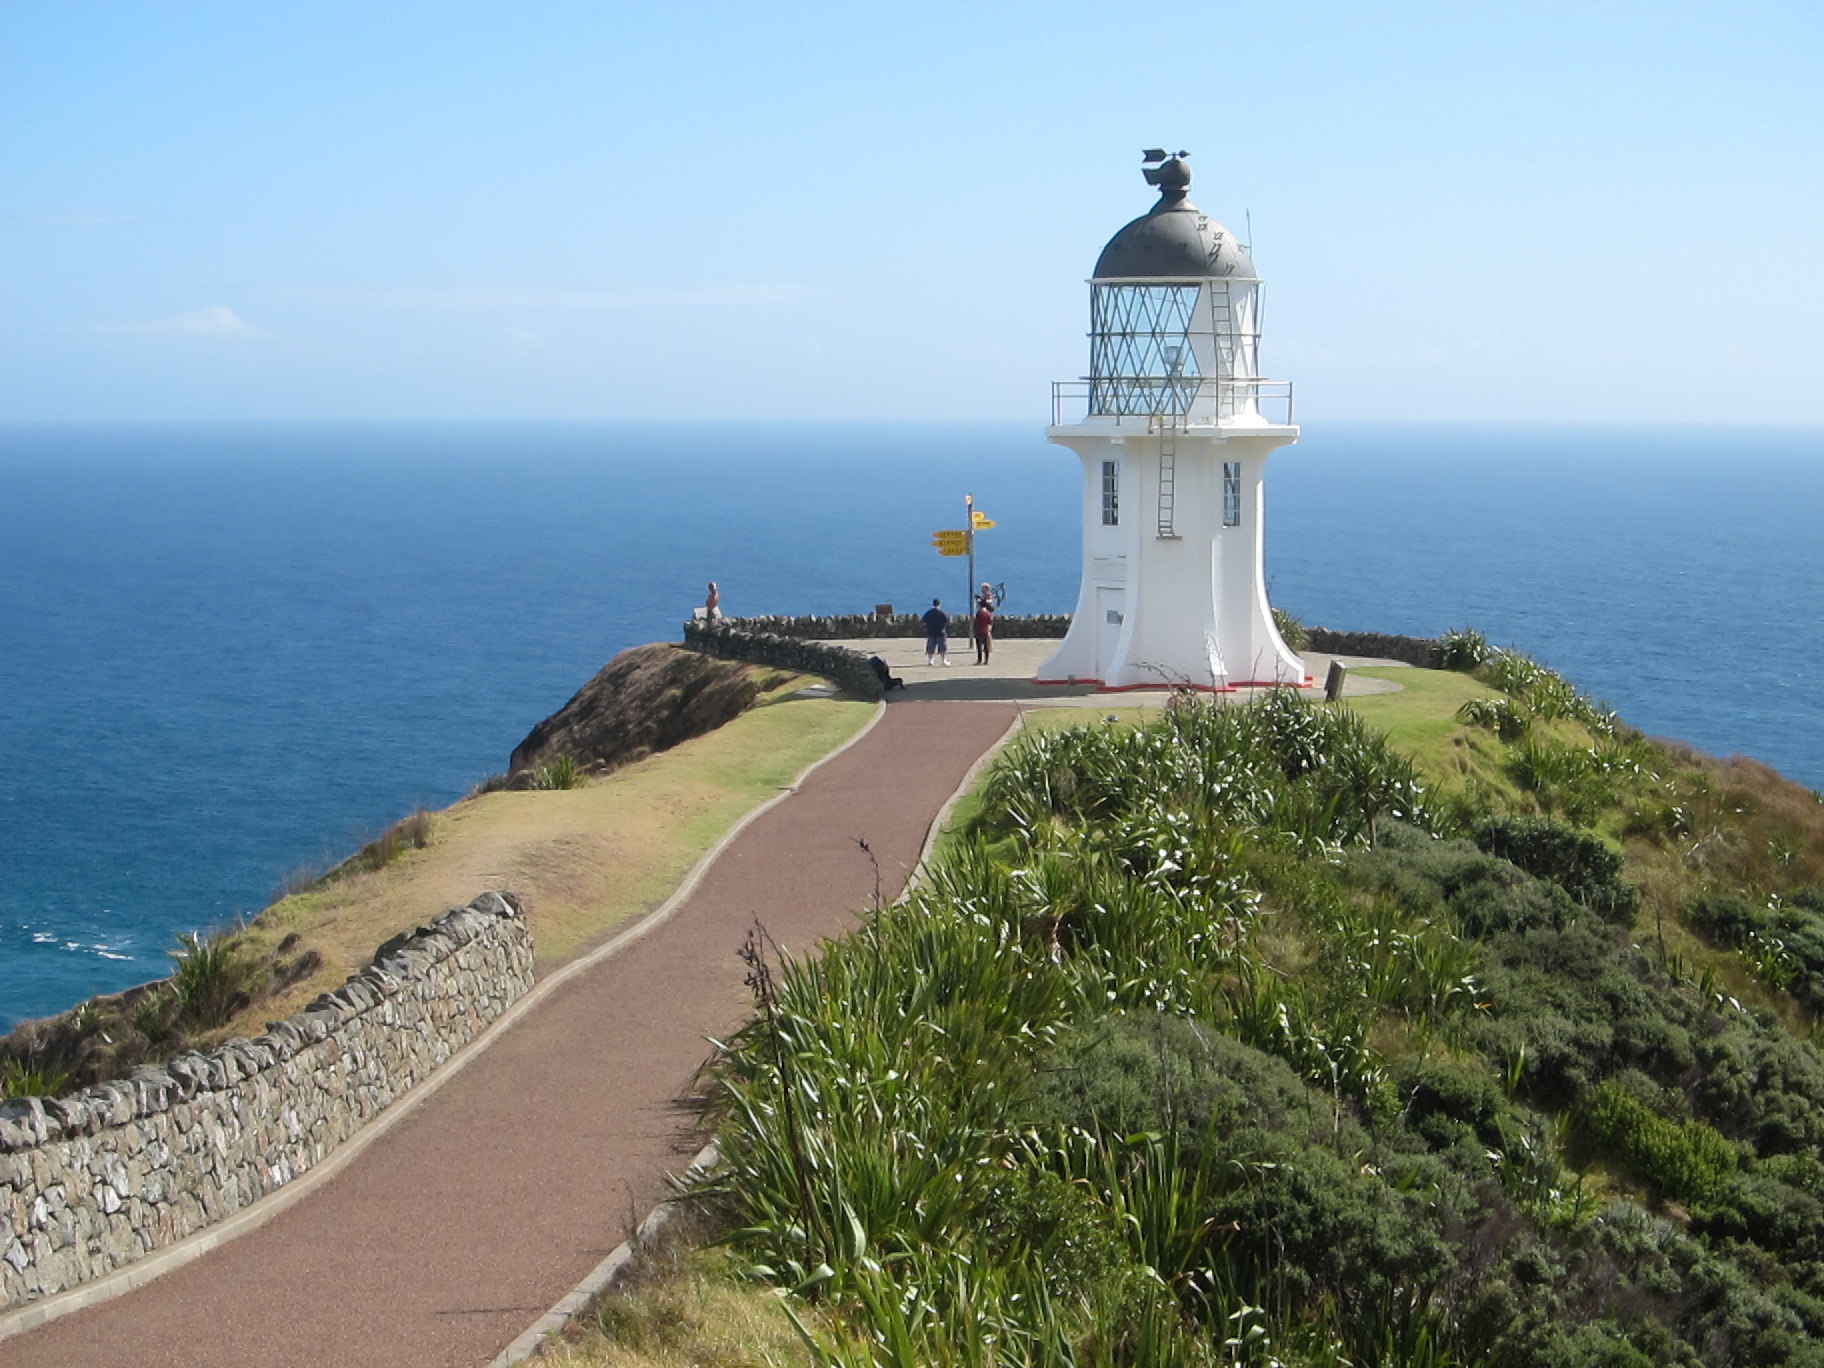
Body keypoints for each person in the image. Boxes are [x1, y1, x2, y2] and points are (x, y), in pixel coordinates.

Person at [921, 598, 950, 667]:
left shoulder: (929, 613)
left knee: (931, 647)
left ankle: (931, 660)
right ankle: (943, 660)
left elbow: (923, 620)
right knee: (942, 647)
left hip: (931, 632)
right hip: (941, 632)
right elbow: (948, 620)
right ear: (939, 604)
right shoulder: (943, 613)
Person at [973, 595, 994, 665]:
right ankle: (986, 660)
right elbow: (990, 622)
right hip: (986, 631)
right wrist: (989, 631)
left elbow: (976, 622)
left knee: (979, 647)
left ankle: (979, 660)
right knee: (986, 647)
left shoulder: (979, 613)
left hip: (979, 631)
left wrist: (975, 630)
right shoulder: (988, 613)